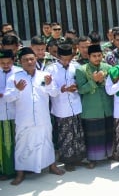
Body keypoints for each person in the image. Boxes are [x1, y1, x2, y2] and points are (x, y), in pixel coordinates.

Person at [5, 47, 64, 185]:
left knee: (47, 142)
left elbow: (54, 93)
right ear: (20, 62)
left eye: (31, 59)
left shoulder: (44, 76)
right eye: (25, 60)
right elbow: (8, 98)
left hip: (43, 117)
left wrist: (49, 85)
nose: (29, 62)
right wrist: (17, 90)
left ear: (36, 59)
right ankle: (20, 173)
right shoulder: (14, 78)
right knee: (22, 145)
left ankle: (52, 166)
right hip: (24, 119)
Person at [46, 43, 86, 172]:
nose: (66, 61)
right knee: (65, 136)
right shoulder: (50, 69)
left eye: (69, 58)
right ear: (58, 56)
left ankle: (78, 158)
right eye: (64, 58)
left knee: (77, 134)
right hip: (61, 109)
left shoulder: (76, 66)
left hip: (76, 106)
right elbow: (49, 90)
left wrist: (76, 88)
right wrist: (61, 90)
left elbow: (82, 83)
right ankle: (67, 160)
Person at [75, 44, 113, 168]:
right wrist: (94, 81)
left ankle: (109, 155)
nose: (97, 58)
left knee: (108, 132)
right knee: (93, 135)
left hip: (107, 107)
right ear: (89, 56)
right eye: (94, 56)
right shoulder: (81, 70)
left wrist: (102, 80)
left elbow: (112, 85)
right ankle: (93, 159)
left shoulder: (108, 67)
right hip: (91, 108)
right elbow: (81, 90)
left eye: (99, 55)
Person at [0, 50, 19, 179]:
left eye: (8, 63)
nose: (6, 65)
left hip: (17, 113)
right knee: (5, 144)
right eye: (2, 63)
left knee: (20, 143)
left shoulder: (19, 72)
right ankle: (7, 171)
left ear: (13, 61)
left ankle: (22, 169)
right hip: (1, 114)